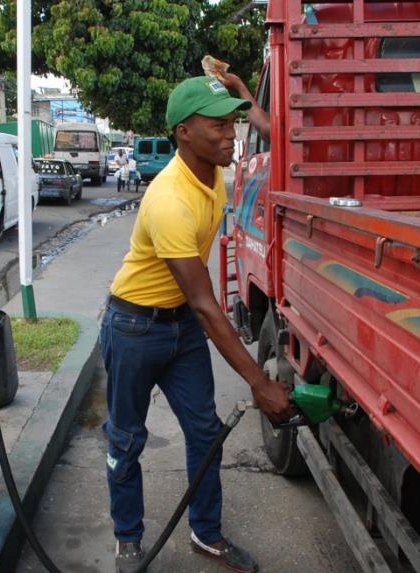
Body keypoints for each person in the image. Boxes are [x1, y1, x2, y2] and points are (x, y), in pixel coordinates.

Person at [102, 75, 290, 573]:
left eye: (233, 124)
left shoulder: (213, 171)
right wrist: (258, 382)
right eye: (218, 126)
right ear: (183, 132)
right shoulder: (169, 199)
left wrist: (243, 92)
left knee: (205, 434)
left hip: (181, 326)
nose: (231, 136)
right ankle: (128, 539)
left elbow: (274, 132)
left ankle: (206, 534)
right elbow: (209, 306)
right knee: (125, 439)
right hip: (135, 327)